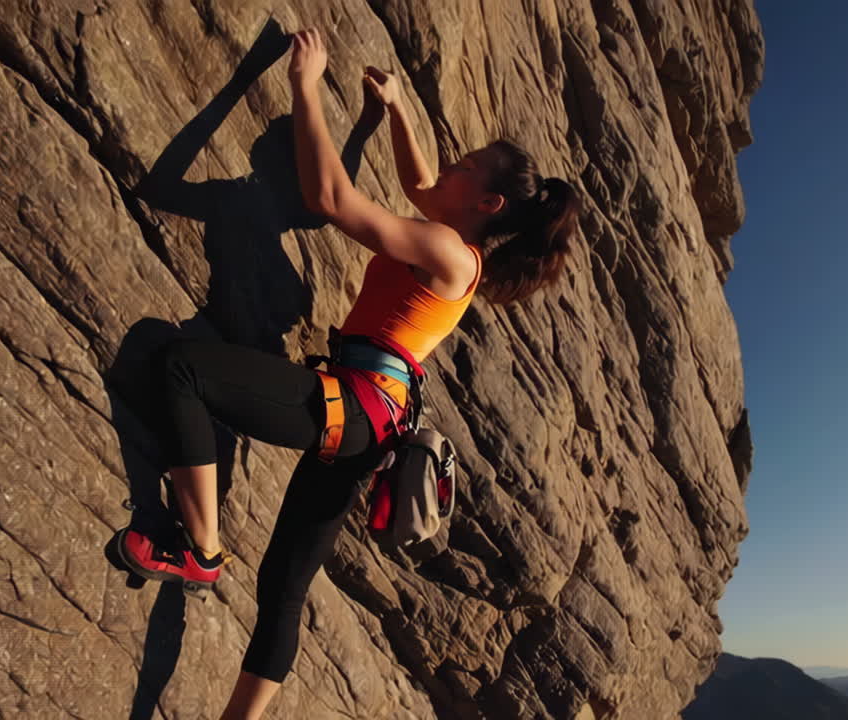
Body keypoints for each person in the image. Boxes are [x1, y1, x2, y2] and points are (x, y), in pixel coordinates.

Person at [120, 27, 582, 720]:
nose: (451, 165)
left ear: (487, 204)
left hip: (356, 406)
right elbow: (421, 182)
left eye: (468, 165)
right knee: (284, 586)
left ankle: (202, 551)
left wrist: (305, 85)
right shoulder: (453, 237)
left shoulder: (451, 254)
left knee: (182, 365)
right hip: (367, 419)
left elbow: (333, 200)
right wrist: (391, 110)